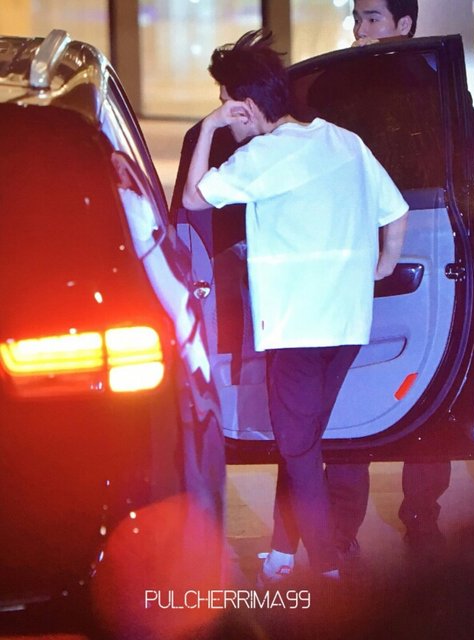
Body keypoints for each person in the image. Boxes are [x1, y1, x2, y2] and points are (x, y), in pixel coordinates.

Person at [182, 29, 409, 583]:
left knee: (298, 444)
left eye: (226, 105)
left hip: (296, 328)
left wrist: (208, 129)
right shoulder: (344, 141)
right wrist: (382, 265)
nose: (225, 116)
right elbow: (396, 210)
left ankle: (327, 565)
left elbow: (192, 199)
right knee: (302, 442)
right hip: (347, 326)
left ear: (245, 105)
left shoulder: (262, 155)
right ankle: (284, 552)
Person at [325, 0, 452, 557]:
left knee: (428, 378)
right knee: (354, 381)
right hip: (358, 239)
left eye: (372, 18)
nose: (360, 29)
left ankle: (418, 518)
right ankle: (347, 531)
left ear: (404, 24)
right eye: (357, 18)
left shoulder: (434, 81)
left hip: (424, 236)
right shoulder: (342, 79)